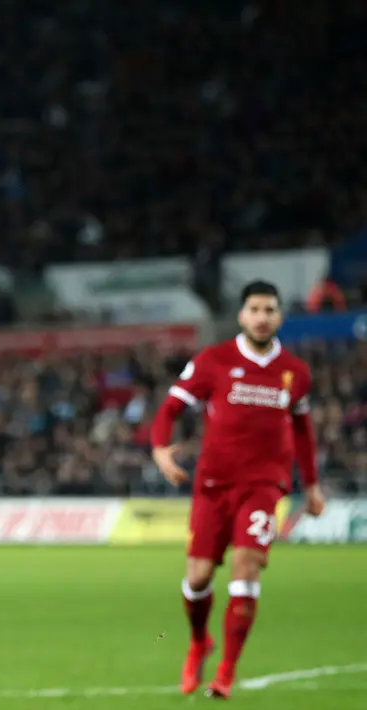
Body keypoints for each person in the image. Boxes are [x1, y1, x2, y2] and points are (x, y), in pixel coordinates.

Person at [151, 280, 325, 698]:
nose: (262, 317)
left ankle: (226, 672)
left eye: (269, 310)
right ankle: (199, 643)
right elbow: (171, 407)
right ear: (241, 315)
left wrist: (312, 484)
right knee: (197, 578)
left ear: (279, 316)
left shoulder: (295, 373)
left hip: (264, 485)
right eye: (255, 309)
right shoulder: (214, 360)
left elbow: (302, 429)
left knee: (246, 569)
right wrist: (159, 450)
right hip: (213, 484)